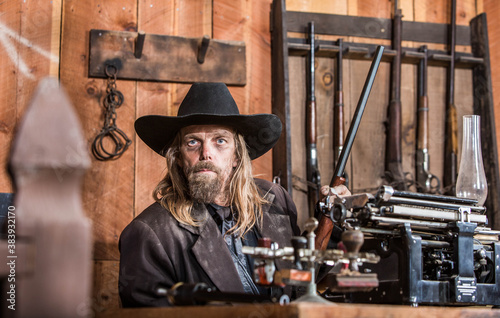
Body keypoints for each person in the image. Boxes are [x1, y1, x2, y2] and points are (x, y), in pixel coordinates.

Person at [118, 82, 350, 307]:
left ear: (238, 154)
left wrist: (332, 220)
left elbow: (302, 281)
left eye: (220, 141)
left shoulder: (274, 200)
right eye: (192, 142)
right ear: (178, 157)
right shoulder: (149, 233)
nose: (206, 153)